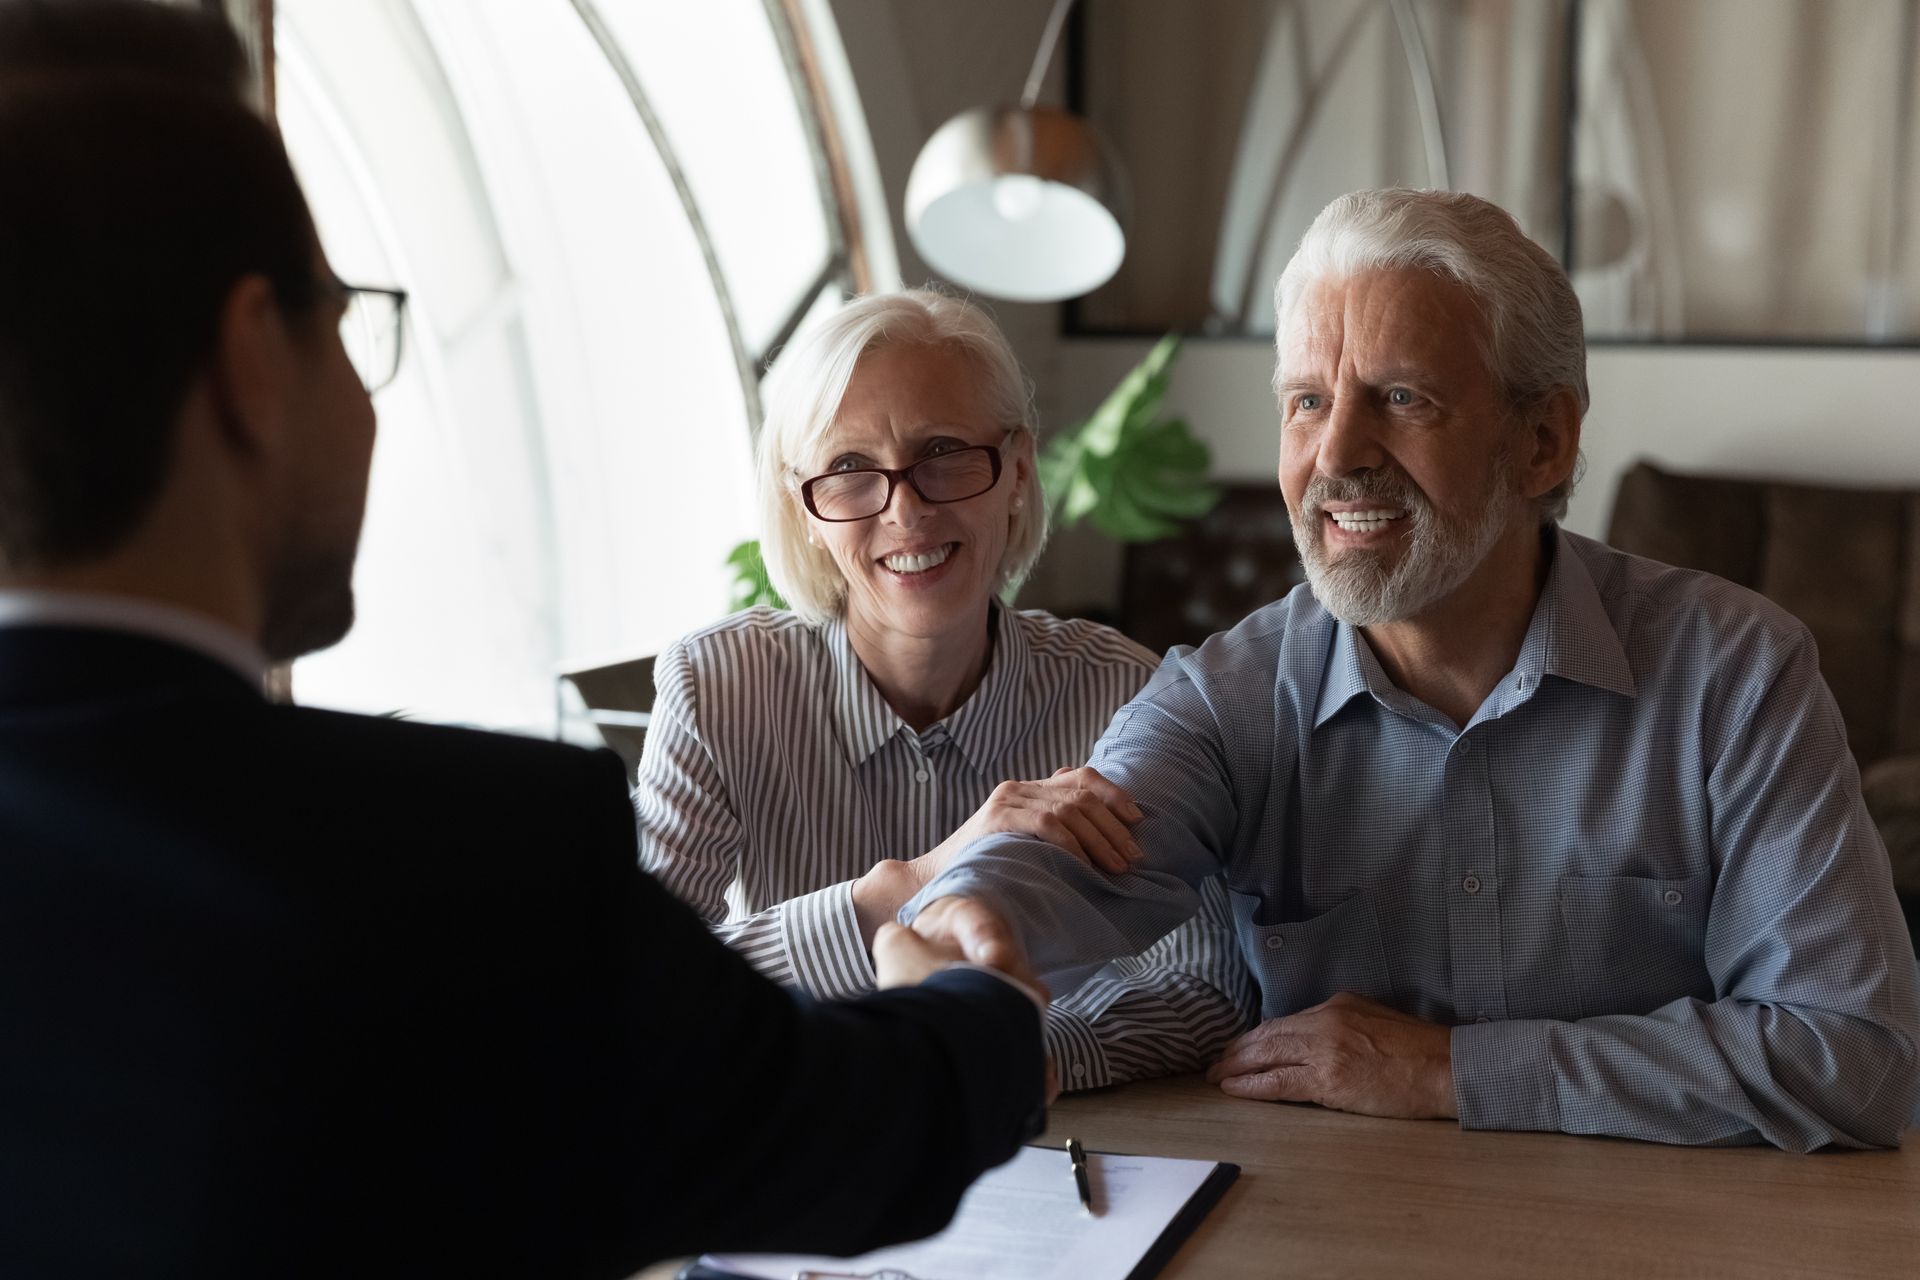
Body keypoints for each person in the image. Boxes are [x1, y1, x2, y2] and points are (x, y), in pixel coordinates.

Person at [0, 3, 1046, 1275]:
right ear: (252, 362)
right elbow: (841, 1139)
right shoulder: (477, 861)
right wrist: (983, 1007)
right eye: (342, 318)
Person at [904, 188, 1920, 1151]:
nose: (1337, 452)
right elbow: (1076, 852)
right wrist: (973, 912)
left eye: (1401, 397)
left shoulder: (1736, 673)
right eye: (1307, 400)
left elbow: (1857, 1058)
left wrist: (1452, 1071)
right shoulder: (1229, 695)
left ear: (1542, 441)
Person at [636, 289, 1255, 1090]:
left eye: (944, 454)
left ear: (1018, 473)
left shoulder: (1122, 694)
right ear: (806, 510)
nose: (906, 510)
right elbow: (634, 981)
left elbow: (1206, 982)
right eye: (851, 470)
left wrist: (1019, 1050)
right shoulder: (718, 687)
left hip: (1053, 1149)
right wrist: (908, 885)